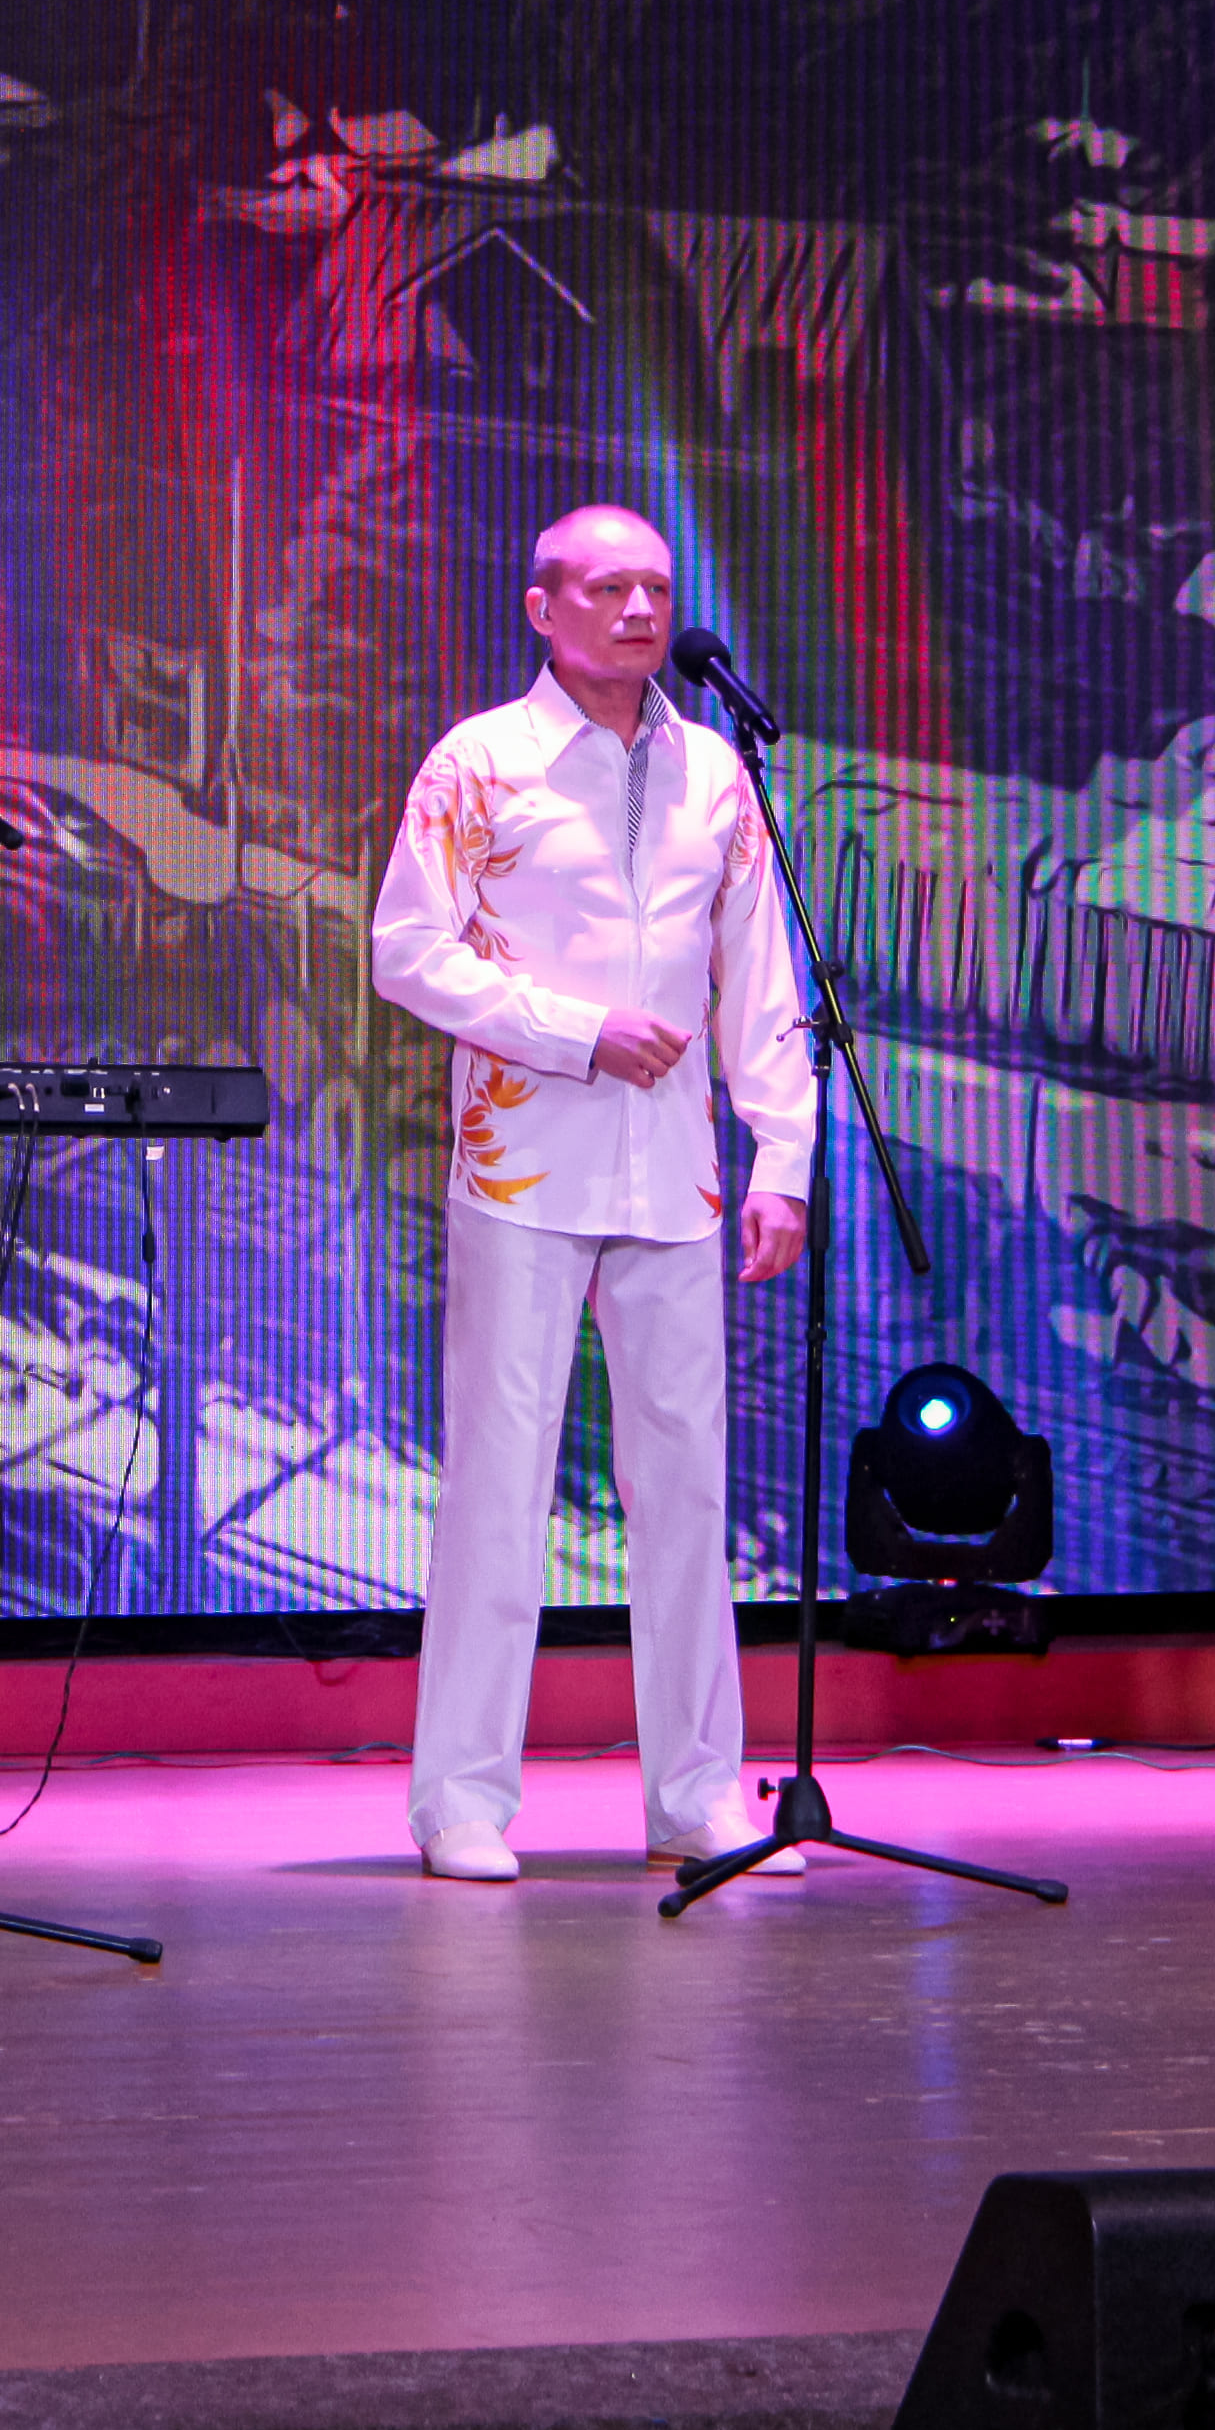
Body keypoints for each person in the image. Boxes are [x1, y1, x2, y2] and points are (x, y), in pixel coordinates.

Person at [368, 505, 810, 1882]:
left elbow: (762, 979)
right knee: (500, 1484)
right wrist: (574, 1031)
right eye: (608, 588)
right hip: (524, 1162)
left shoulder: (714, 773)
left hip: (675, 1174)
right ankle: (462, 1800)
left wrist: (783, 1160)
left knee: (686, 1488)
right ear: (542, 607)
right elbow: (405, 950)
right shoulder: (481, 761)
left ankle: (697, 1797)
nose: (638, 612)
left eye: (656, 589)